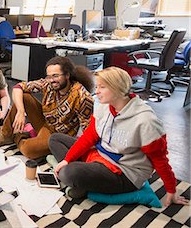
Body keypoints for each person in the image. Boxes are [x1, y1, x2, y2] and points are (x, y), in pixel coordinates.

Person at [50, 67, 189, 207]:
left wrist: (171, 190)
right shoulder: (104, 106)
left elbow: (160, 159)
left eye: (102, 87)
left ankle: (135, 192)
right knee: (55, 139)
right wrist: (67, 160)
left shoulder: (146, 121)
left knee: (68, 173)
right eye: (97, 86)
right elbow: (89, 137)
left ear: (118, 88)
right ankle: (84, 181)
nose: (96, 91)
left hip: (124, 172)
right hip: (100, 156)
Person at [0, 56, 94, 160]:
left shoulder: (82, 97)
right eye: (49, 76)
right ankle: (5, 135)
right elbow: (18, 87)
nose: (51, 80)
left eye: (55, 76)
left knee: (28, 150)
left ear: (67, 75)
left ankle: (17, 136)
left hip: (57, 136)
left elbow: (88, 132)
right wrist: (21, 112)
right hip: (46, 122)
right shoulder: (48, 84)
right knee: (24, 96)